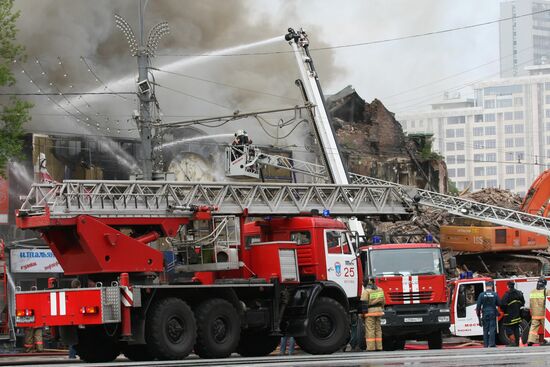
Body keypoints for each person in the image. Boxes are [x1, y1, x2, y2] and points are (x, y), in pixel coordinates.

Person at [360, 276, 385, 351]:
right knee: (378, 329)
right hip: (379, 312)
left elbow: (363, 304)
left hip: (370, 313)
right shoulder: (380, 290)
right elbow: (383, 302)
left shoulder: (366, 291)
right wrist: (381, 309)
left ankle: (371, 348)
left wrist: (361, 314)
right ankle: (379, 347)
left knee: (370, 330)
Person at [476, 281, 500, 348]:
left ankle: (485, 345)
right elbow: (499, 303)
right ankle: (492, 344)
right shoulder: (495, 294)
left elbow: (478, 307)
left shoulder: (481, 295)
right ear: (492, 286)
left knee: (485, 329)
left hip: (485, 314)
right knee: (492, 329)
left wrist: (478, 318)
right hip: (492, 313)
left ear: (486, 287)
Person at [501, 280, 525, 347]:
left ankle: (513, 342)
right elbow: (523, 303)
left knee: (508, 329)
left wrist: (505, 310)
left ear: (508, 286)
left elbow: (503, 305)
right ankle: (517, 343)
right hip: (517, 315)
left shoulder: (507, 294)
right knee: (516, 329)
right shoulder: (519, 293)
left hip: (509, 316)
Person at [528, 277, 547, 346]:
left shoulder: (532, 291)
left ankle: (530, 340)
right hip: (543, 314)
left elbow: (530, 303)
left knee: (533, 328)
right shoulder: (546, 291)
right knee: (547, 327)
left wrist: (532, 312)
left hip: (534, 314)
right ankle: (548, 339)